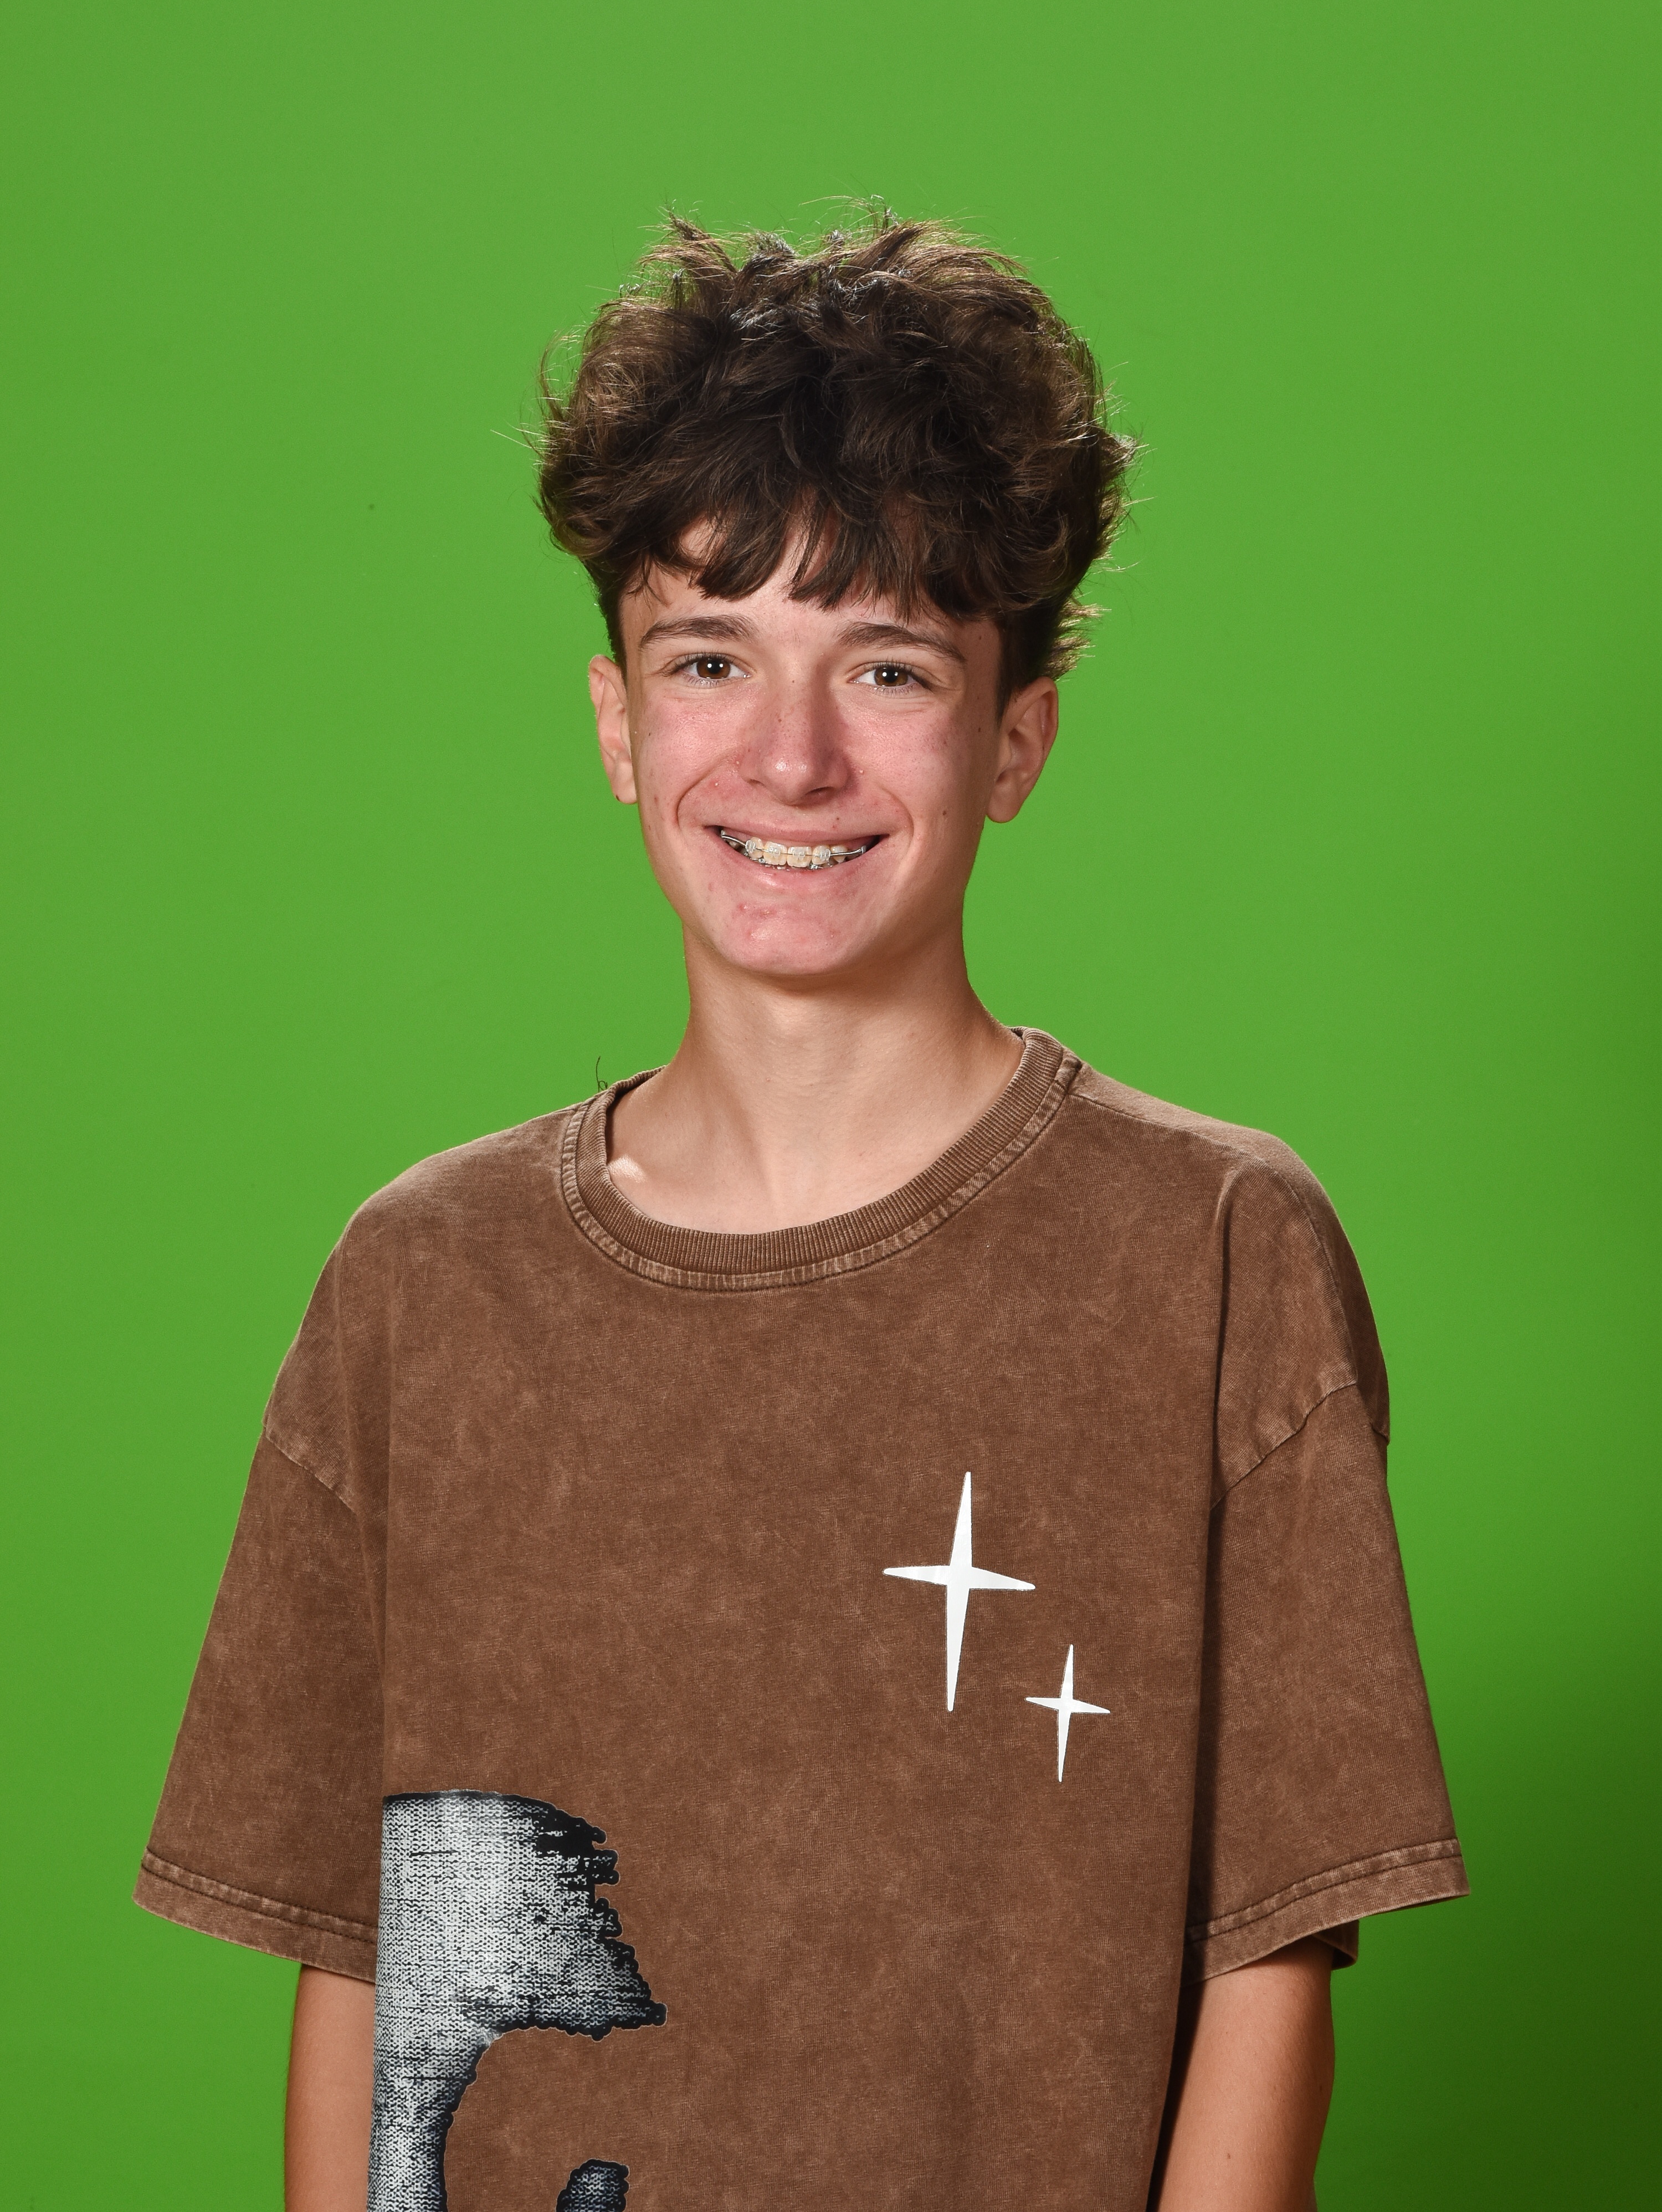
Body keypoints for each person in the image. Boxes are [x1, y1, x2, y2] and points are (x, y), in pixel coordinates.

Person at [137, 213, 1467, 2212]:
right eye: (710, 658)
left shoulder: (1212, 1258)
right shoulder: (422, 1282)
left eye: (889, 666)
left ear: (1015, 737)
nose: (790, 754)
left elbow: (1269, 1965)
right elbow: (360, 1958)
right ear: (618, 723)